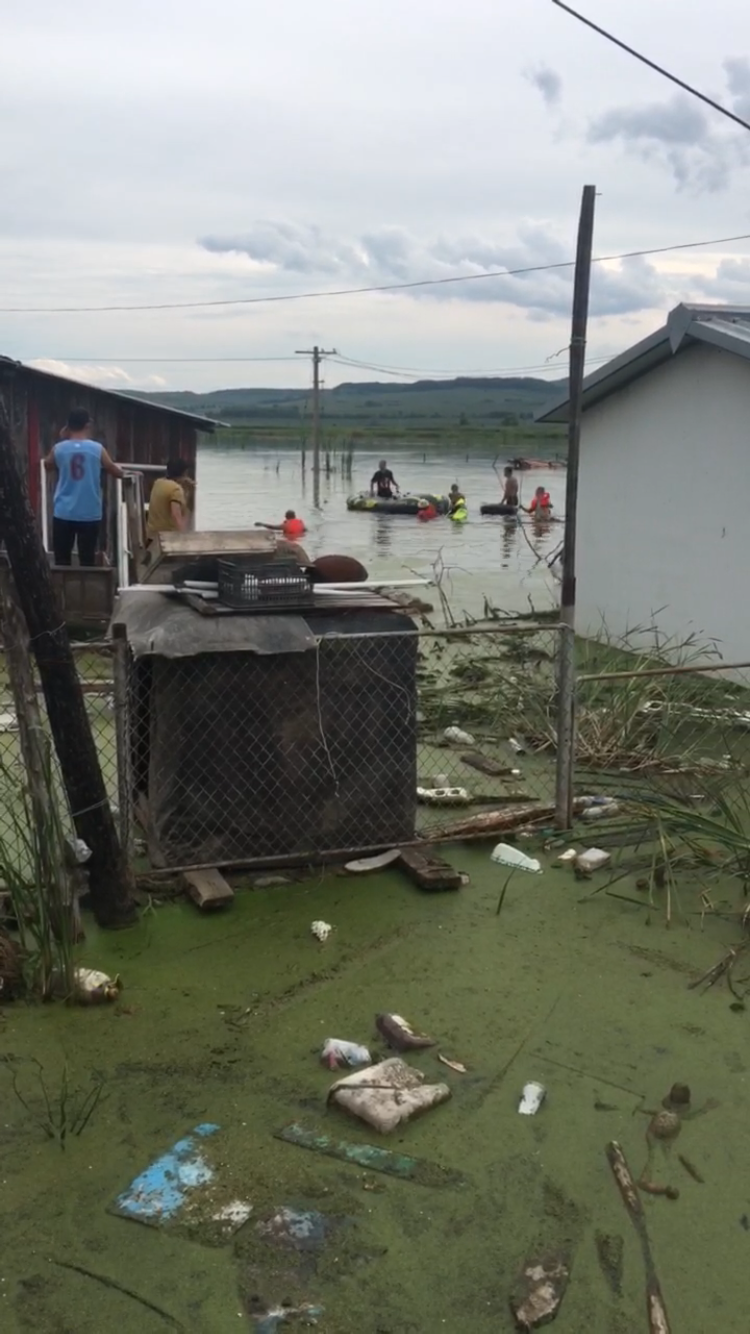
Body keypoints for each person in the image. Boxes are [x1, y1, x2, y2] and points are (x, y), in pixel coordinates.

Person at [44, 408, 124, 566]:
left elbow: (48, 465)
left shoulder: (59, 449)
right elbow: (113, 470)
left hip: (64, 511)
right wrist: (122, 472)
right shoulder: (97, 449)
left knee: (61, 559)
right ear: (87, 425)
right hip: (89, 512)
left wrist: (63, 438)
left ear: (67, 426)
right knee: (87, 559)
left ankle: (62, 590)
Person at [147, 458, 191, 540]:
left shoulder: (158, 483)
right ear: (184, 473)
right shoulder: (176, 489)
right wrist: (185, 538)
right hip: (167, 538)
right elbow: (175, 515)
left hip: (151, 536)